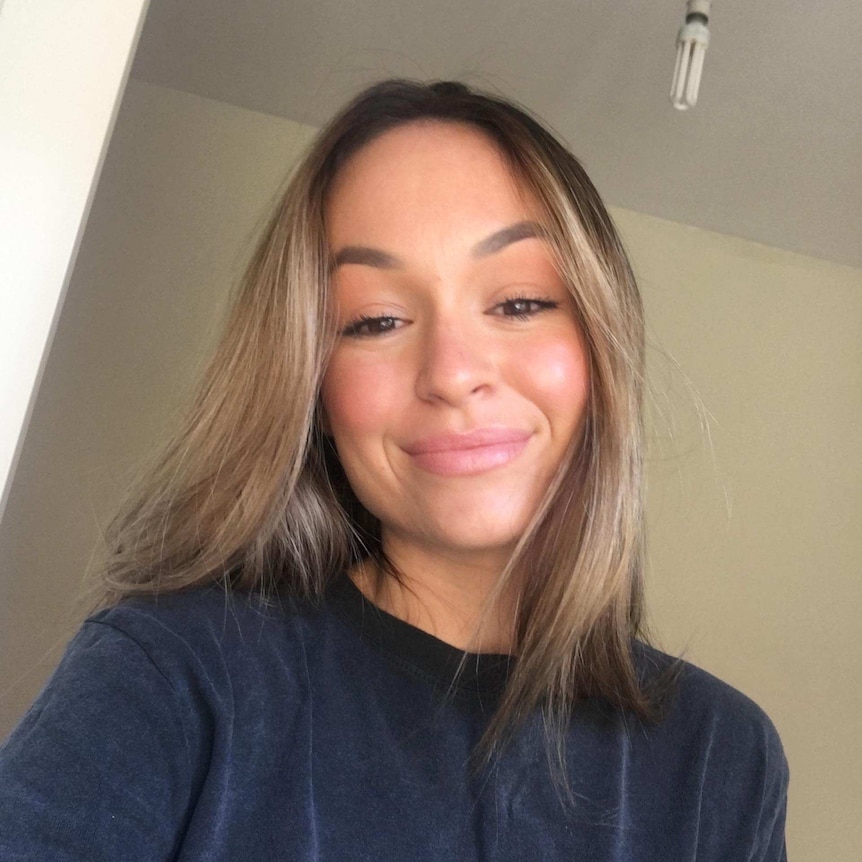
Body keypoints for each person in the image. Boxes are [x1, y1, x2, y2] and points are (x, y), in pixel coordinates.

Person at [0, 79, 788, 860]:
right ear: (310, 379)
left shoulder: (724, 759)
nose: (450, 372)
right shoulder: (169, 676)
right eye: (376, 320)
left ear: (600, 344)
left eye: (518, 302)